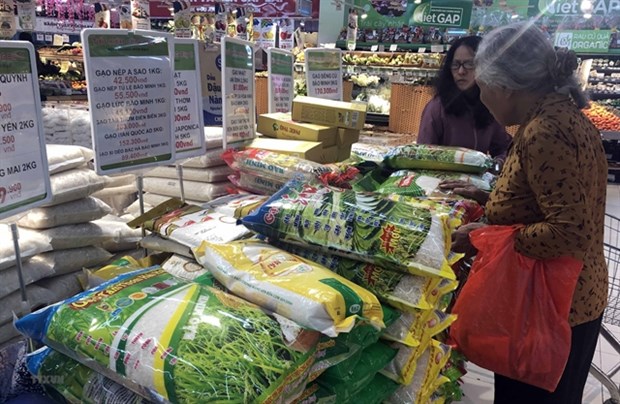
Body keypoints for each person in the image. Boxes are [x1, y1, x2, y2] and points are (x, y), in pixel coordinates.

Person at [448, 22, 608, 404]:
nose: (481, 94)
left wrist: (483, 237)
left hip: (550, 308)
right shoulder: (560, 115)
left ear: (505, 86)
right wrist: (490, 199)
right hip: (572, 298)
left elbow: (569, 231)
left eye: (483, 85)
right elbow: (548, 196)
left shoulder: (545, 131)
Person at [417, 35, 512, 163]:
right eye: (456, 65)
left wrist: (496, 165)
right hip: (441, 181)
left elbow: (503, 148)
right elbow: (422, 154)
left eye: (469, 64)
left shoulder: (490, 105)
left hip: (476, 182)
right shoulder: (437, 108)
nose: (461, 71)